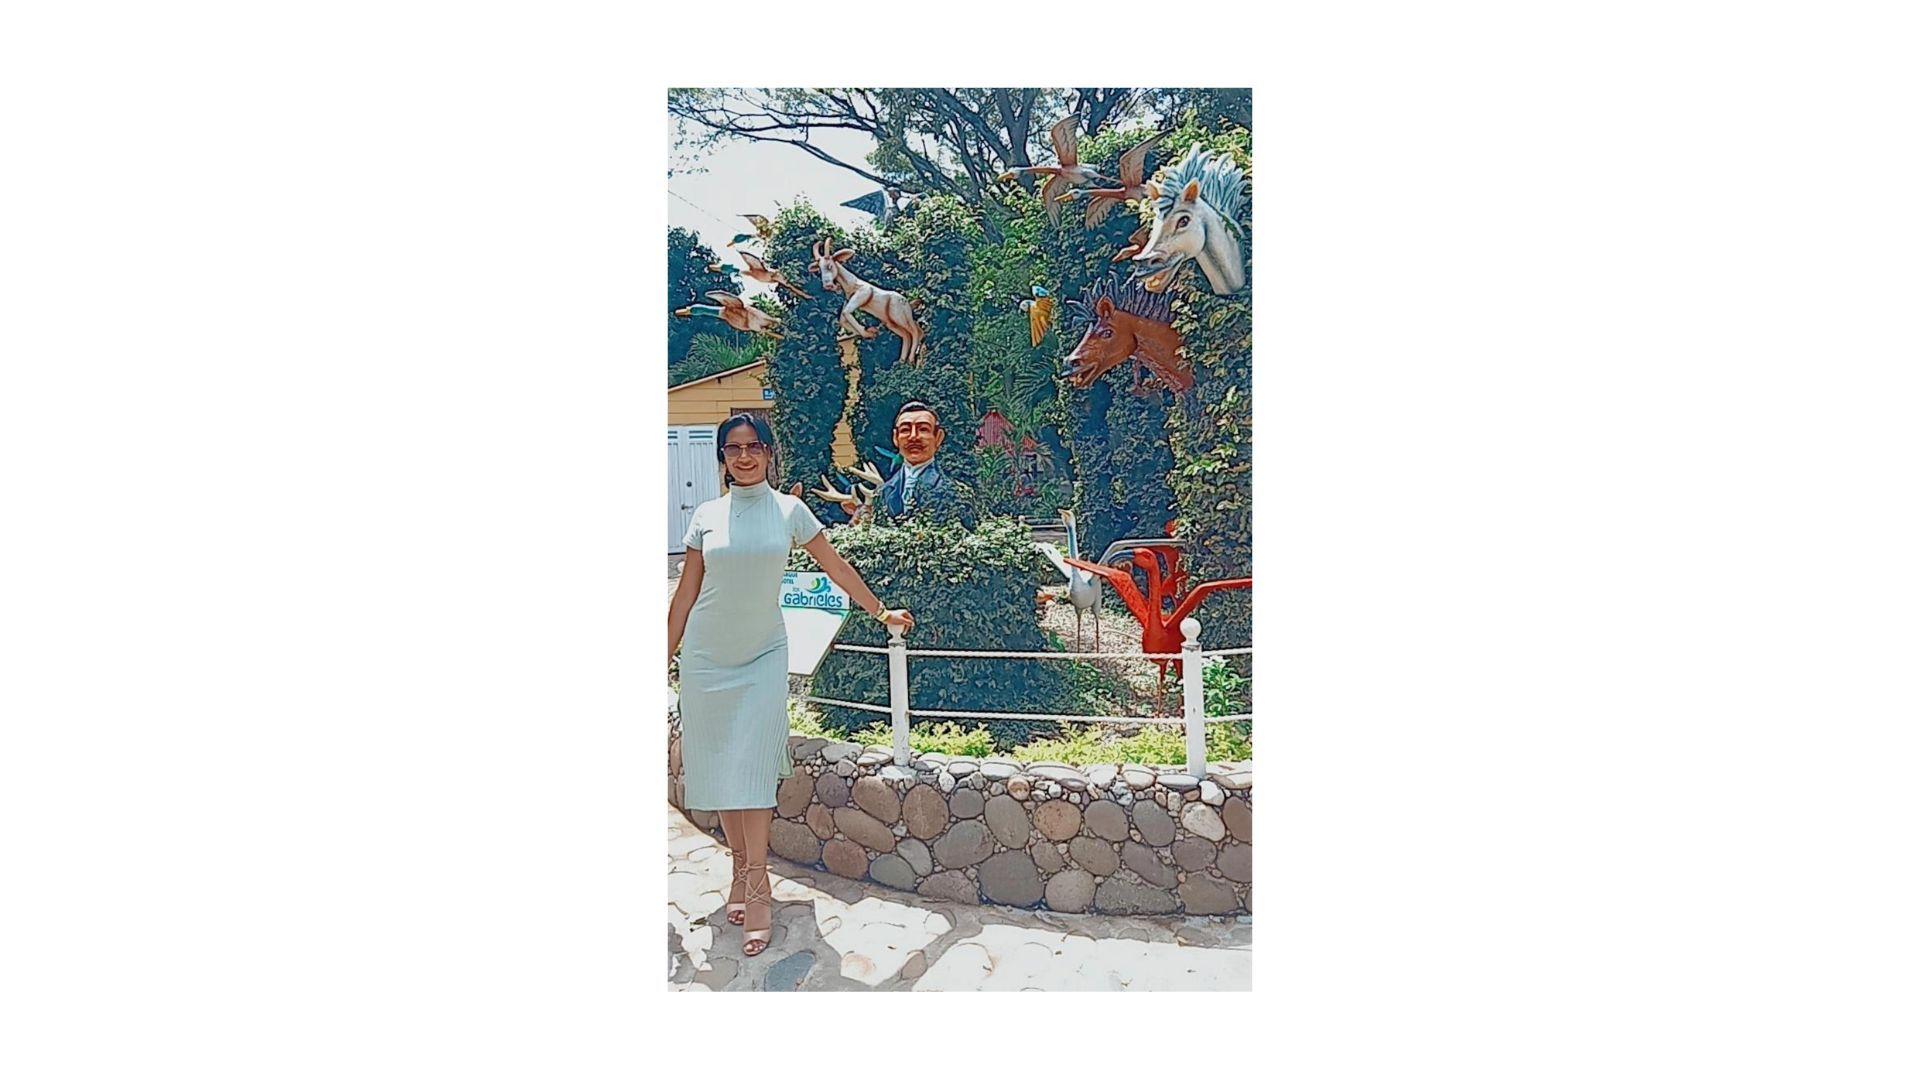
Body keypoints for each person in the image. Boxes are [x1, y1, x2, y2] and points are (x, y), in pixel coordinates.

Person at [667, 413, 913, 957]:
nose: (745, 456)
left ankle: (759, 887)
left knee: (754, 771)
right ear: (722, 457)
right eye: (734, 448)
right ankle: (740, 871)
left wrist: (881, 612)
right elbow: (685, 597)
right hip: (706, 659)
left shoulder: (790, 511)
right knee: (725, 771)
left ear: (769, 453)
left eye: (755, 446)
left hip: (762, 657)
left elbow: (836, 567)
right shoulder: (706, 517)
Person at [865, 400, 980, 528]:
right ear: (895, 438)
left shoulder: (955, 492)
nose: (913, 437)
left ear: (938, 437)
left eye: (923, 429)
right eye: (905, 430)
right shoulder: (884, 491)